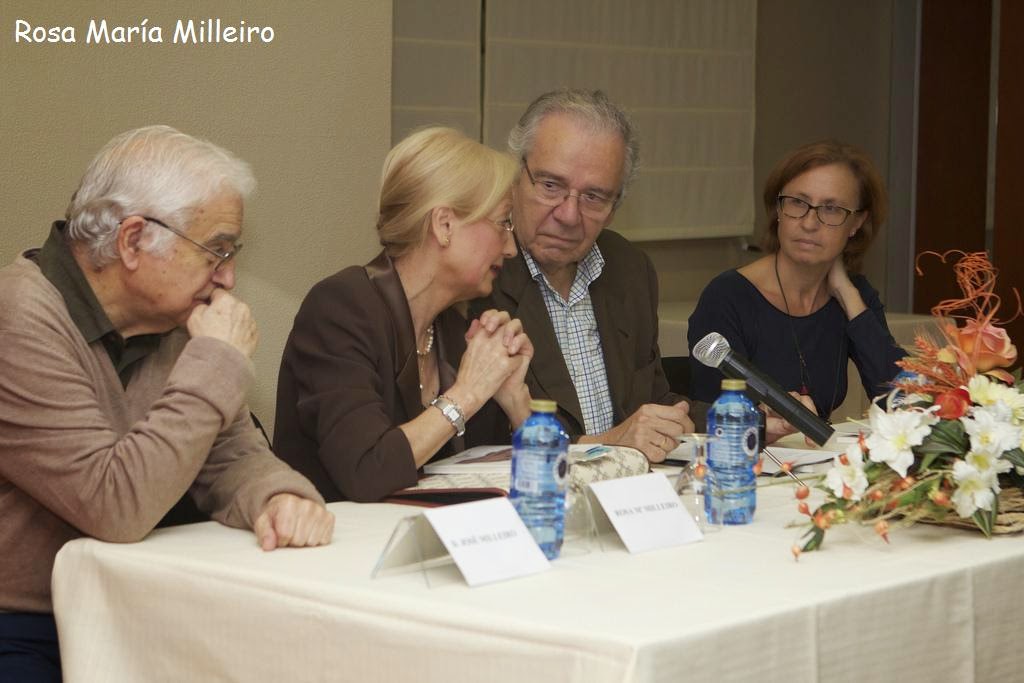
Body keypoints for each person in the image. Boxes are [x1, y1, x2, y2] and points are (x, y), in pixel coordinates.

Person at [0, 126, 334, 681]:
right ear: (133, 241)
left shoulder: (171, 321)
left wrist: (276, 497)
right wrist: (218, 362)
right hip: (23, 624)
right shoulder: (19, 316)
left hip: (131, 605)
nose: (227, 279)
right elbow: (114, 506)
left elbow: (229, 455)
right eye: (216, 251)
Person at [273, 127, 533, 503]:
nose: (510, 247)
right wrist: (470, 391)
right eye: (503, 222)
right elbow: (367, 469)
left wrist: (515, 402)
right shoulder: (339, 309)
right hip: (332, 549)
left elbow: (490, 478)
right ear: (444, 225)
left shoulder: (456, 326)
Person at [471, 89, 695, 463]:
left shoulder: (629, 269)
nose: (569, 215)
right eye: (551, 186)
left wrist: (750, 418)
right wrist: (606, 443)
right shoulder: (478, 276)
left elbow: (653, 404)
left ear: (615, 205)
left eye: (594, 196)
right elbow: (474, 445)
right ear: (515, 176)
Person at [688, 140, 907, 442]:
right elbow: (713, 416)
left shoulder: (856, 297)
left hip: (818, 467)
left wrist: (847, 294)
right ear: (778, 208)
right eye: (797, 203)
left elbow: (902, 402)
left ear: (857, 222)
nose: (808, 223)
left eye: (831, 209)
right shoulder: (727, 297)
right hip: (746, 470)